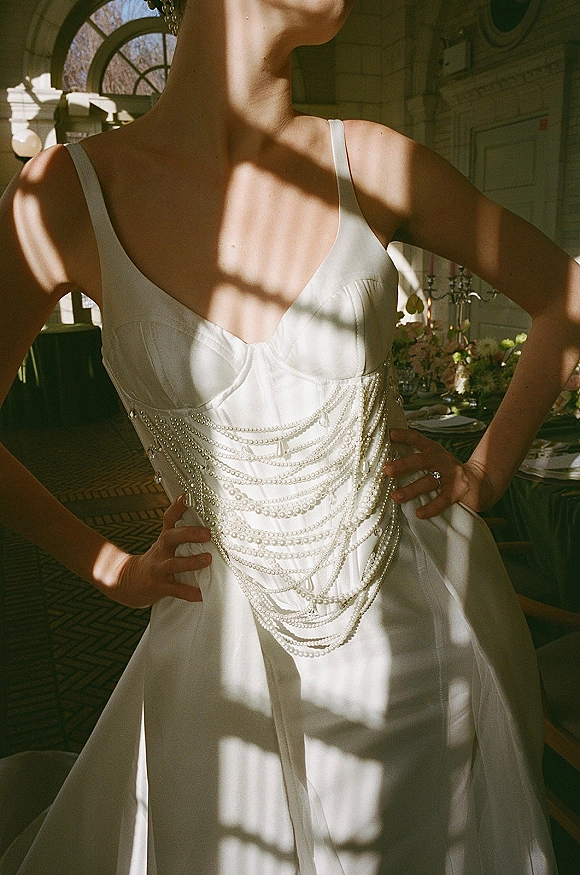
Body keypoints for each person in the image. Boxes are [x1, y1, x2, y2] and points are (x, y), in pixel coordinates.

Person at [0, 0, 577, 872]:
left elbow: (564, 297)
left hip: (418, 637)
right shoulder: (67, 193)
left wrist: (486, 475)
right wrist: (112, 570)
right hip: (217, 650)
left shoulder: (370, 160)